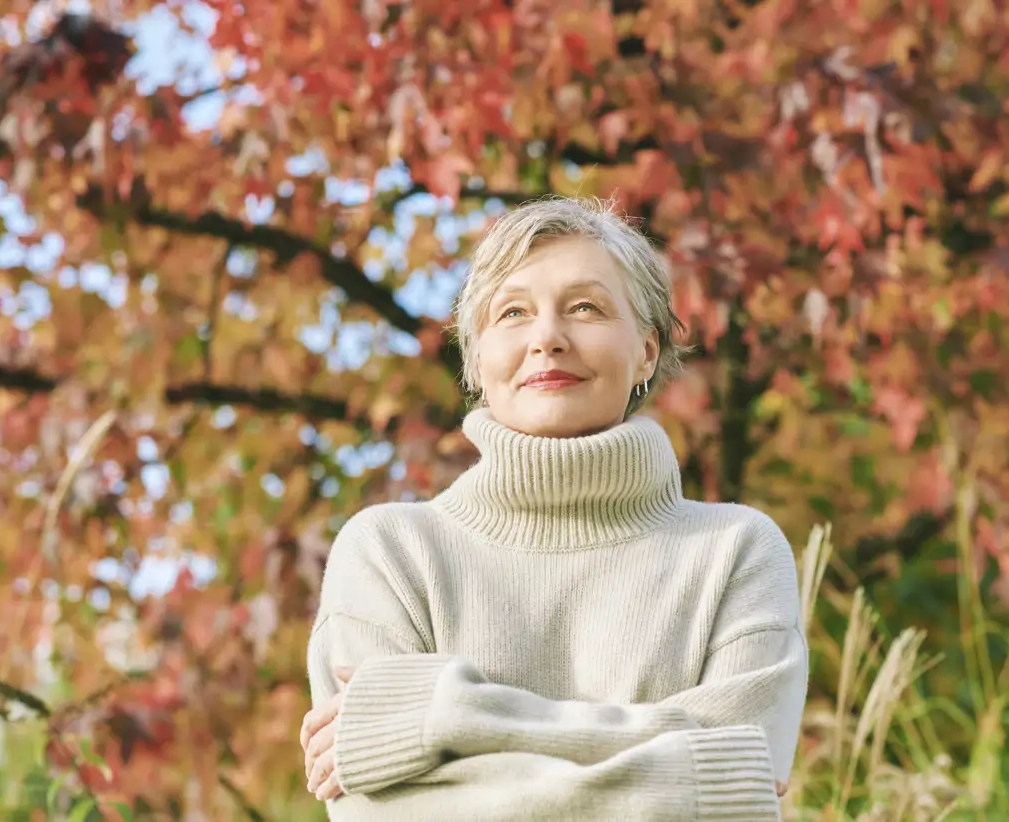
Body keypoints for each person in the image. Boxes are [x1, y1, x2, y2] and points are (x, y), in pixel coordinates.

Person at [298, 196, 808, 821]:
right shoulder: (389, 553)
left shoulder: (737, 551)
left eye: (585, 307)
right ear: (478, 359)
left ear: (647, 350)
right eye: (513, 312)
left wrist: (450, 713)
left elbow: (740, 789)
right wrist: (678, 774)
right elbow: (386, 814)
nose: (547, 338)